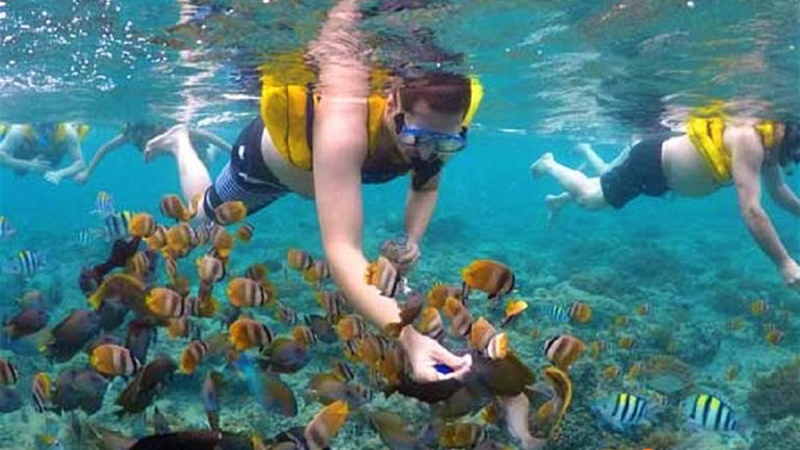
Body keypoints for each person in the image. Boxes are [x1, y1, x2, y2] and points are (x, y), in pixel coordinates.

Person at [146, 0, 482, 384]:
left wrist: (412, 240)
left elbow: (427, 184)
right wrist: (408, 338)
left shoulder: (438, 129)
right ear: (391, 101)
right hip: (265, 169)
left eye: (443, 143)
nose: (426, 151)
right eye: (417, 137)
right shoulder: (345, 122)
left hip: (315, 180)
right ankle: (180, 143)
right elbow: (341, 251)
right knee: (201, 222)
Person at [530, 115, 800, 287]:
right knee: (589, 199)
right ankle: (550, 164)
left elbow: (778, 191)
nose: (781, 165)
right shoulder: (749, 139)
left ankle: (557, 199)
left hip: (662, 174)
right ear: (787, 141)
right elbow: (752, 209)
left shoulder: (767, 146)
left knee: (599, 185)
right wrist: (784, 262)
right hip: (652, 163)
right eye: (787, 158)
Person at [75, 122, 230, 184]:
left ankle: (214, 152)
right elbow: (105, 149)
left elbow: (204, 135)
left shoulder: (164, 130)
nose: (133, 137)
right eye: (129, 132)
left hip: (192, 147)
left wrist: (232, 151)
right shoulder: (129, 135)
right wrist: (88, 172)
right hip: (174, 154)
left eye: (136, 133)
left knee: (206, 163)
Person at [0, 122, 89, 184]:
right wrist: (28, 165)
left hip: (53, 156)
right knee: (20, 171)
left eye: (47, 130)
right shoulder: (18, 130)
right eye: (39, 130)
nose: (44, 134)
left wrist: (60, 174)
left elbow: (80, 163)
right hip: (25, 154)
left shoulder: (68, 133)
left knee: (54, 161)